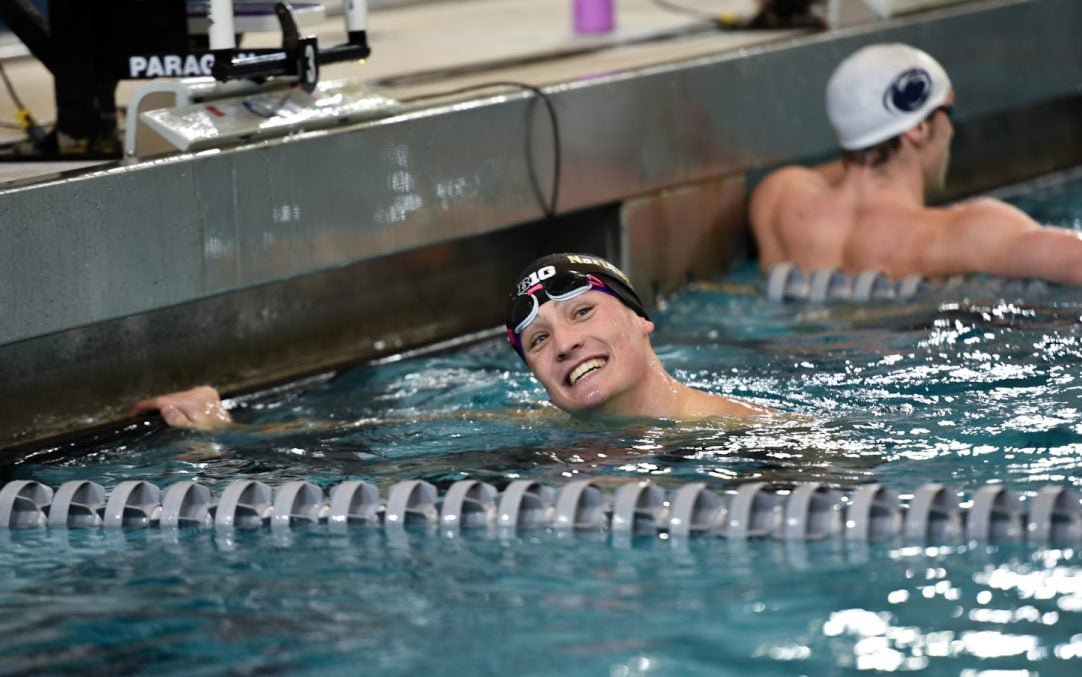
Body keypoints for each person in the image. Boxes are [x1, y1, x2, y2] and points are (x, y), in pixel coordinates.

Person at [131, 253, 769, 429]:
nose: (566, 345)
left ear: (641, 319)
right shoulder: (534, 428)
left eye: (581, 315)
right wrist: (219, 425)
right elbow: (335, 441)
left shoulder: (741, 432)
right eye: (539, 339)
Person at [749, 43, 1082, 287]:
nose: (954, 132)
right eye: (948, 114)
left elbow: (856, 160)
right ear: (918, 130)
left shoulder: (780, 199)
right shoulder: (956, 231)